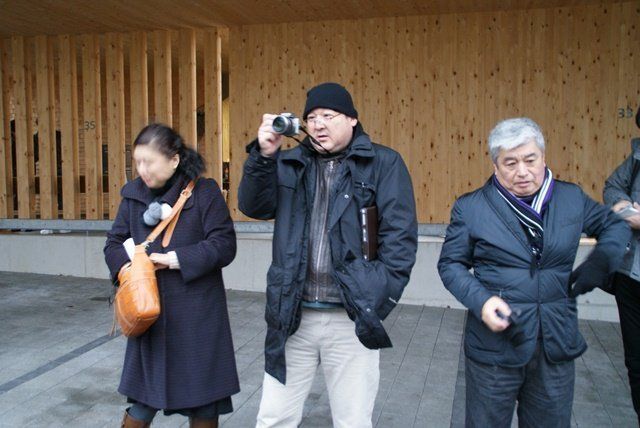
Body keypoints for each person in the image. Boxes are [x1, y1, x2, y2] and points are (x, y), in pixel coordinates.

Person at [238, 82, 417, 428]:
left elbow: (400, 239)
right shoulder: (289, 163)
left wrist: (377, 296)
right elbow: (253, 206)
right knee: (274, 417)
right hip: (293, 314)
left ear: (352, 119)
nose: (318, 124)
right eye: (312, 117)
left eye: (329, 115)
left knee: (353, 420)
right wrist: (264, 155)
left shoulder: (383, 163)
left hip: (351, 318)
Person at [437, 117, 629, 427]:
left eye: (530, 160)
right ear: (495, 166)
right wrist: (482, 301)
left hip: (555, 342)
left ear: (543, 157)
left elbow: (614, 226)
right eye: (510, 163)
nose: (522, 171)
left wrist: (601, 261)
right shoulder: (471, 208)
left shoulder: (570, 197)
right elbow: (450, 264)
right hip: (496, 347)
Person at [104, 124, 239, 428]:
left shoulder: (204, 192)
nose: (142, 169)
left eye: (149, 161)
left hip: (198, 317)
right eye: (138, 162)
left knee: (204, 403)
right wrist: (129, 269)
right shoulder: (132, 196)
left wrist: (175, 259)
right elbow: (113, 243)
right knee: (143, 401)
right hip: (149, 312)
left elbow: (224, 245)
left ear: (174, 160)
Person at [603, 105, 640, 423]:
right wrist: (628, 210)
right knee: (636, 362)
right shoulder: (637, 159)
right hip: (631, 276)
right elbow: (613, 187)